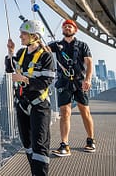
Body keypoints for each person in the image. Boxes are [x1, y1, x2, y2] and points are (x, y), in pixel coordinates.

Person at [6, 19, 55, 176]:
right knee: (27, 144)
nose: (20, 37)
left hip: (39, 105)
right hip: (22, 104)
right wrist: (11, 52)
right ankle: (35, 173)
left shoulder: (45, 57)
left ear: (34, 36)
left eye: (24, 34)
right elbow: (10, 68)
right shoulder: (21, 54)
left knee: (39, 145)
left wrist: (25, 80)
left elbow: (46, 81)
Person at [48, 19, 95, 156]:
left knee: (84, 111)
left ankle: (91, 140)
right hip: (64, 82)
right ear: (62, 29)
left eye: (70, 26)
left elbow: (89, 63)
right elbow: (42, 50)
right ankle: (64, 145)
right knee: (65, 113)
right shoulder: (57, 45)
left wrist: (88, 79)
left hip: (80, 82)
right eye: (65, 26)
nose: (67, 28)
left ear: (75, 30)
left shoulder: (82, 46)